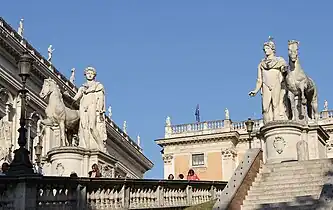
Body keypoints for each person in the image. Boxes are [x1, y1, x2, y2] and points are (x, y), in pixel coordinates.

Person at [249, 37, 287, 124]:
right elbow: (259, 80)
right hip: (266, 85)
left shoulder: (279, 60)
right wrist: (255, 90)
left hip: (276, 84)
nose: (265, 51)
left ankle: (277, 123)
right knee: (265, 107)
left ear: (272, 49)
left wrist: (284, 68)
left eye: (267, 48)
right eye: (264, 49)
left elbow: (285, 70)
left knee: (276, 105)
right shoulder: (261, 64)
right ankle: (268, 123)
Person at [71, 67, 107, 149]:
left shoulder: (98, 86)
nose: (90, 75)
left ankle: (100, 146)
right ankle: (86, 147)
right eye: (88, 73)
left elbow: (101, 98)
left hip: (92, 105)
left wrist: (101, 110)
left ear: (94, 75)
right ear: (85, 75)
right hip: (83, 106)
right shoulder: (82, 87)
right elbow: (75, 98)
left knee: (92, 126)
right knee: (84, 127)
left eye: (91, 73)